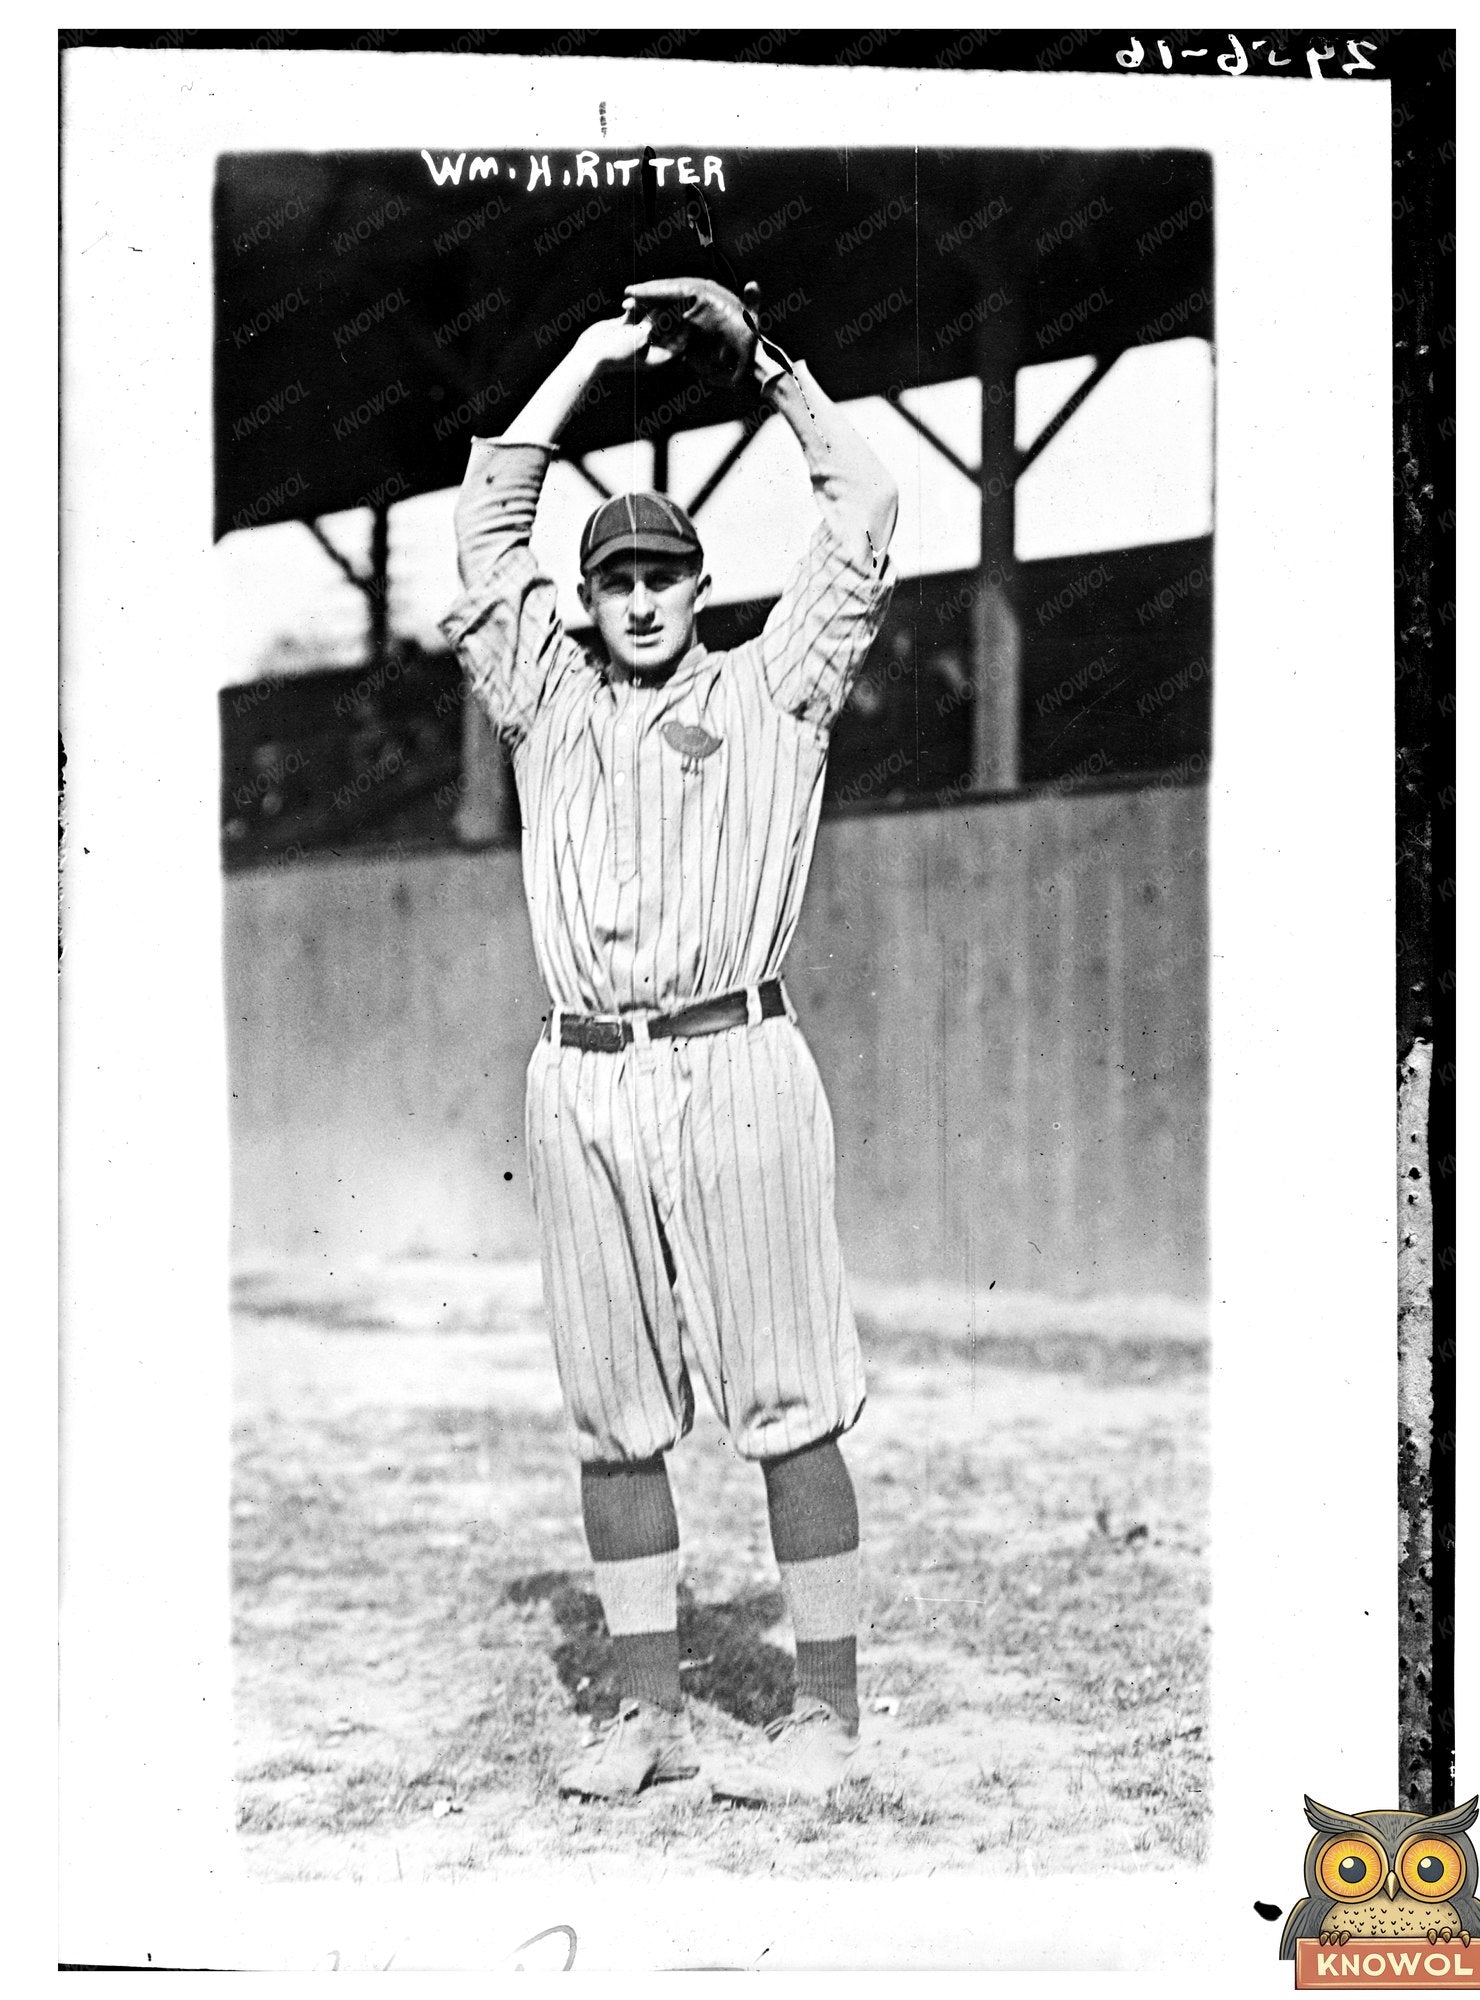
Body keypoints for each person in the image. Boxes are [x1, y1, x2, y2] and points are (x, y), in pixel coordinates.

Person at [439, 279, 898, 1806]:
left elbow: (866, 506)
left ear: (700, 584)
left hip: (737, 1061)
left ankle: (823, 1722)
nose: (639, 599)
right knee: (611, 1406)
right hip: (580, 1075)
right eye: (615, 579)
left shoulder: (779, 686)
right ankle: (643, 1717)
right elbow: (487, 529)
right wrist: (580, 358)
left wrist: (763, 357)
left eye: (663, 574)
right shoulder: (545, 702)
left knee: (784, 1394)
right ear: (590, 601)